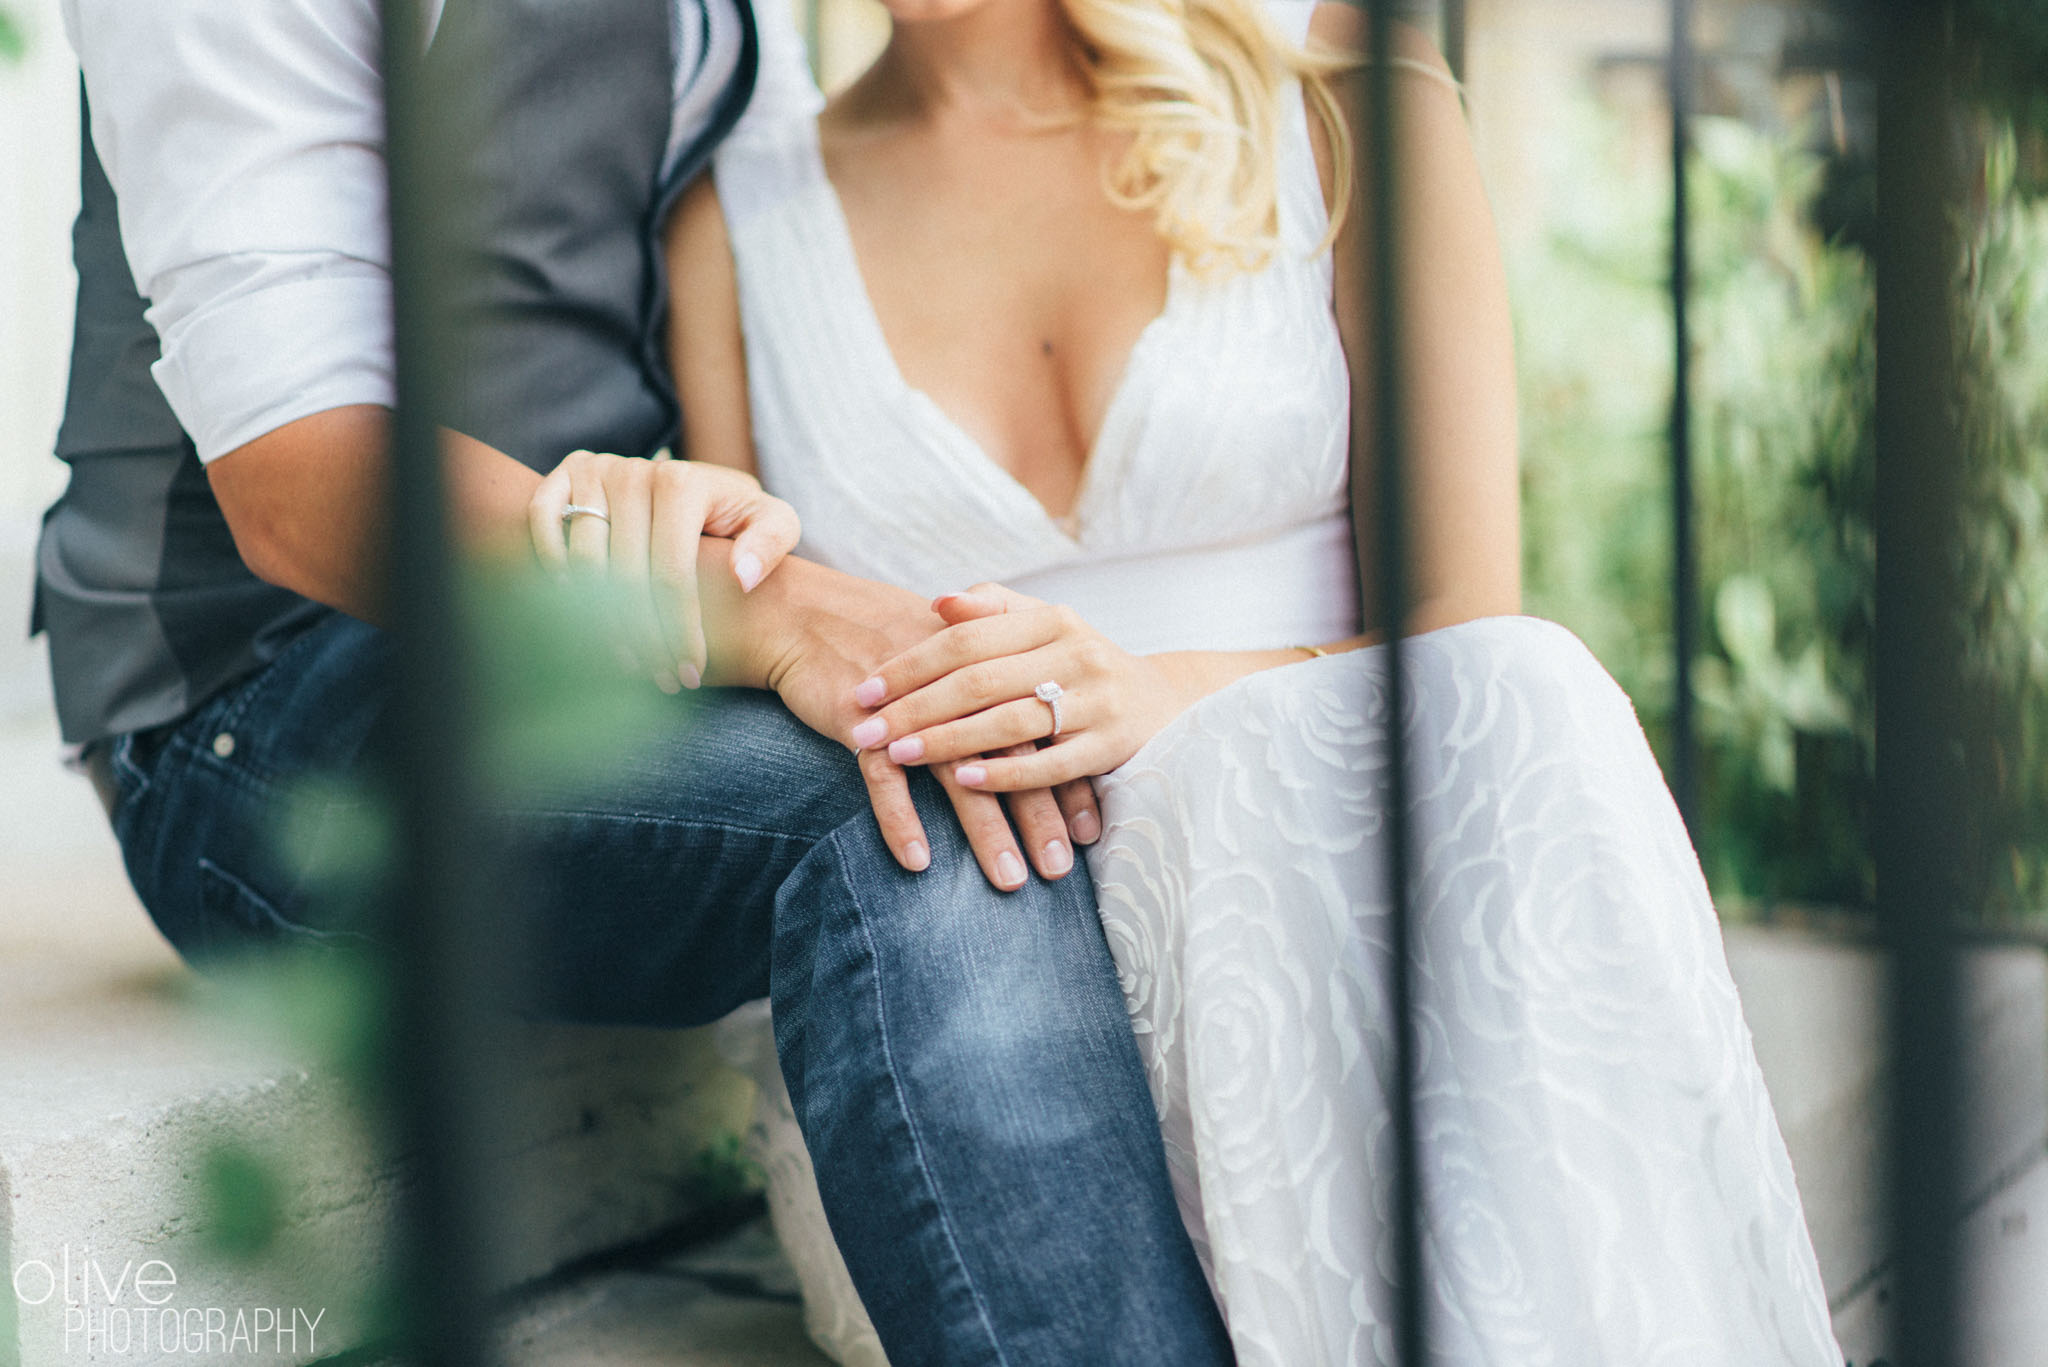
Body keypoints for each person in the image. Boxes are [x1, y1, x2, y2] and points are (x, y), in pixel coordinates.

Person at [606, 0, 1850, 1360]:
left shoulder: (1340, 91)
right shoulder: (736, 224)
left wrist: (1163, 694)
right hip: (1006, 1016)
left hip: (1355, 962)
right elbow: (778, 672)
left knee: (1527, 691)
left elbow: (1463, 618)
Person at [39, 1, 1238, 1362]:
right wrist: (772, 610)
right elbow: (292, 477)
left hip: (610, 652)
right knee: (894, 786)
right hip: (259, 692)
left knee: (951, 721)